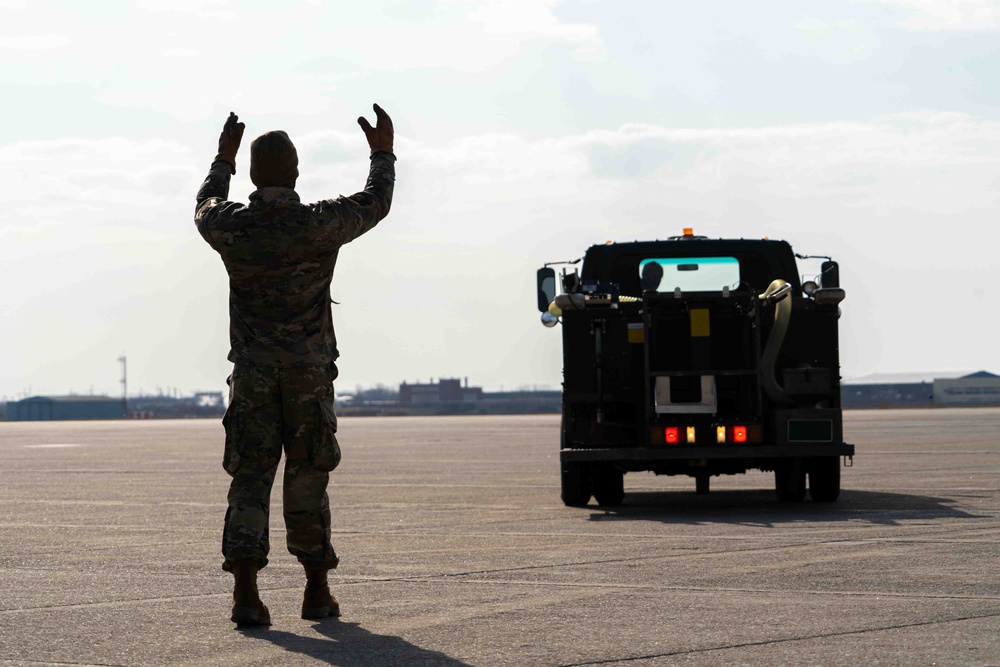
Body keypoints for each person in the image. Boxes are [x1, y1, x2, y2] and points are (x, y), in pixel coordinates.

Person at [195, 104, 395, 627]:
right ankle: (316, 589)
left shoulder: (231, 225)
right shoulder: (319, 223)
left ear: (255, 175)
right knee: (308, 477)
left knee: (250, 478)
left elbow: (204, 204)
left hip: (255, 375)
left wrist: (222, 161)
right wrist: (382, 153)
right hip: (307, 377)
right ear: (297, 173)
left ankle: (245, 593)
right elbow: (376, 202)